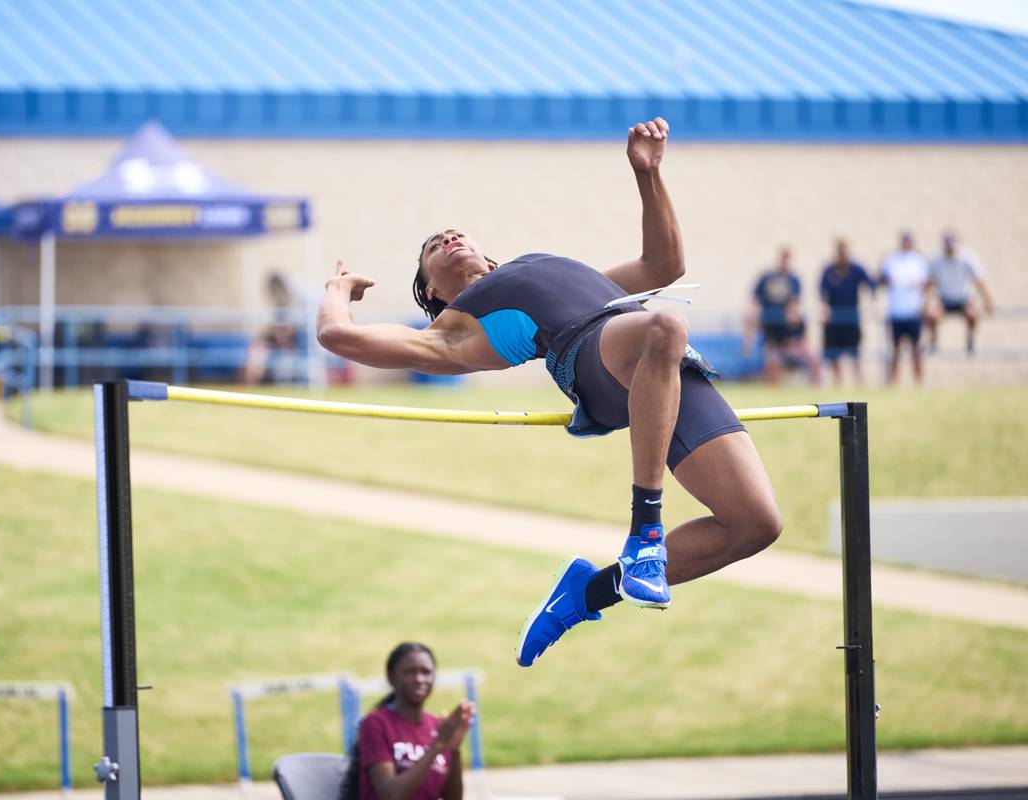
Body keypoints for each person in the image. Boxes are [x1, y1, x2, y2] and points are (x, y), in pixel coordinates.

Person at [316, 118, 783, 669]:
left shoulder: (552, 270)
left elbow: (664, 267)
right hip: (596, 358)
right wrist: (338, 288)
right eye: (432, 249)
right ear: (434, 292)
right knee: (664, 326)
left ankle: (586, 594)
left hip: (662, 367)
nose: (447, 237)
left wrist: (648, 176)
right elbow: (336, 335)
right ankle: (645, 531)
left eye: (454, 232)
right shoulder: (452, 333)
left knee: (755, 524)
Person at [339, 642, 473, 800]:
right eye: (410, 672)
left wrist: (454, 750)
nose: (419, 679)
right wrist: (437, 745)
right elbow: (390, 795)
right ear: (391, 676)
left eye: (426, 672)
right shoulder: (375, 724)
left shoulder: (438, 726)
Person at [748, 247, 817, 384]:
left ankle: (813, 385)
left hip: (788, 331)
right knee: (772, 359)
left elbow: (795, 303)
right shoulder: (767, 278)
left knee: (812, 356)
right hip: (771, 327)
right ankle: (772, 386)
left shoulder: (793, 279)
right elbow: (755, 301)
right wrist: (753, 320)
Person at [925, 232, 994, 356]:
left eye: (952, 247)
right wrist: (925, 304)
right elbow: (930, 284)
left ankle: (970, 342)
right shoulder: (936, 260)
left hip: (963, 298)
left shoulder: (968, 258)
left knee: (973, 315)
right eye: (948, 248)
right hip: (944, 299)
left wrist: (988, 301)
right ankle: (934, 342)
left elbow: (979, 282)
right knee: (932, 316)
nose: (950, 251)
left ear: (958, 246)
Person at [818, 239, 875, 386]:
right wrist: (824, 309)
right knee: (833, 356)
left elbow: (871, 284)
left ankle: (860, 383)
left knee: (855, 355)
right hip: (833, 322)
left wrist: (872, 304)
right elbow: (822, 293)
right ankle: (838, 383)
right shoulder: (829, 271)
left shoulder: (856, 269)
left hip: (851, 320)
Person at [877, 231, 931, 385]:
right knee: (894, 351)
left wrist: (925, 305)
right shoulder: (890, 261)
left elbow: (928, 285)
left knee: (916, 351)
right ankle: (893, 382)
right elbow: (880, 280)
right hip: (896, 312)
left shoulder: (920, 261)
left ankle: (919, 383)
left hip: (914, 312)